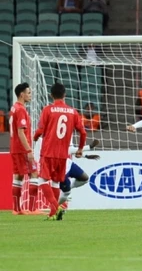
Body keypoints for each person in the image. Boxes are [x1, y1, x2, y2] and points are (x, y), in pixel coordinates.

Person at [33, 82, 87, 221]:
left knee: (42, 180)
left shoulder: (48, 110)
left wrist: (35, 137)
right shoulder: (73, 112)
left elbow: (40, 130)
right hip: (63, 155)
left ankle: (54, 207)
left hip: (48, 152)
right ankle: (52, 214)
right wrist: (80, 148)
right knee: (56, 183)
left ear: (51, 95)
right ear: (65, 95)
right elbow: (83, 132)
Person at [9, 83, 40, 215]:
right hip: (22, 149)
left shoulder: (14, 108)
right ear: (22, 94)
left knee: (18, 176)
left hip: (14, 148)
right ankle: (32, 209)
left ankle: (17, 209)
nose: (30, 95)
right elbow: (21, 132)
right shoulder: (21, 109)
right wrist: (29, 150)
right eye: (28, 92)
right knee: (34, 173)